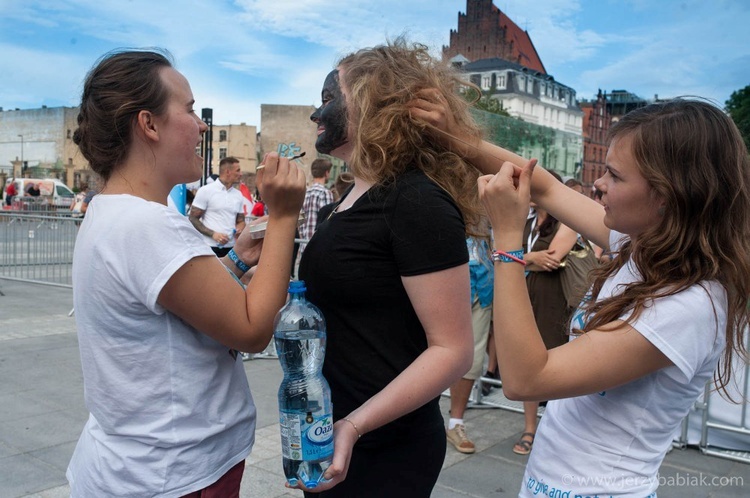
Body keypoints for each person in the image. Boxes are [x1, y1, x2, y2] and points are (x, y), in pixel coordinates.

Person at [413, 95, 750, 497]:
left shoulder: (691, 304)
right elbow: (545, 187)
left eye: (615, 176)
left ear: (668, 195)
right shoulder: (644, 246)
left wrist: (507, 240)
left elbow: (525, 379)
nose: (598, 183)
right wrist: (454, 138)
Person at [66, 49, 306, 497]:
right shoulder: (148, 224)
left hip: (134, 465)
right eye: (190, 109)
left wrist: (234, 259)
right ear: (149, 124)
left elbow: (170, 301)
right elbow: (252, 329)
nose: (200, 125)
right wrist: (283, 216)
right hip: (173, 474)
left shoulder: (113, 213)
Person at [296, 39, 478, 497]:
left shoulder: (415, 200)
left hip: (383, 447)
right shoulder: (349, 197)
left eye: (328, 99)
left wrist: (355, 426)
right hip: (331, 435)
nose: (317, 116)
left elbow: (453, 350)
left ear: (374, 104)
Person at [512, 171, 578, 456]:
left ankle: (557, 429)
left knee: (554, 358)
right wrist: (530, 259)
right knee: (528, 357)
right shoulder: (524, 221)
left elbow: (552, 259)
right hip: (526, 296)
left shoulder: (567, 221)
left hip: (553, 300)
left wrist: (516, 260)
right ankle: (530, 428)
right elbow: (497, 253)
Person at [446, 222, 493, 455]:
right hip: (444, 284)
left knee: (472, 358)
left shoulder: (491, 191)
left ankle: (456, 422)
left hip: (482, 287)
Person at [189, 156, 245, 257]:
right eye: (238, 170)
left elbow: (240, 221)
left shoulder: (238, 194)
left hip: (231, 248)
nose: (241, 174)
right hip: (209, 246)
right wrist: (213, 234)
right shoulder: (206, 191)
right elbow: (193, 218)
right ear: (228, 172)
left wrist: (240, 228)